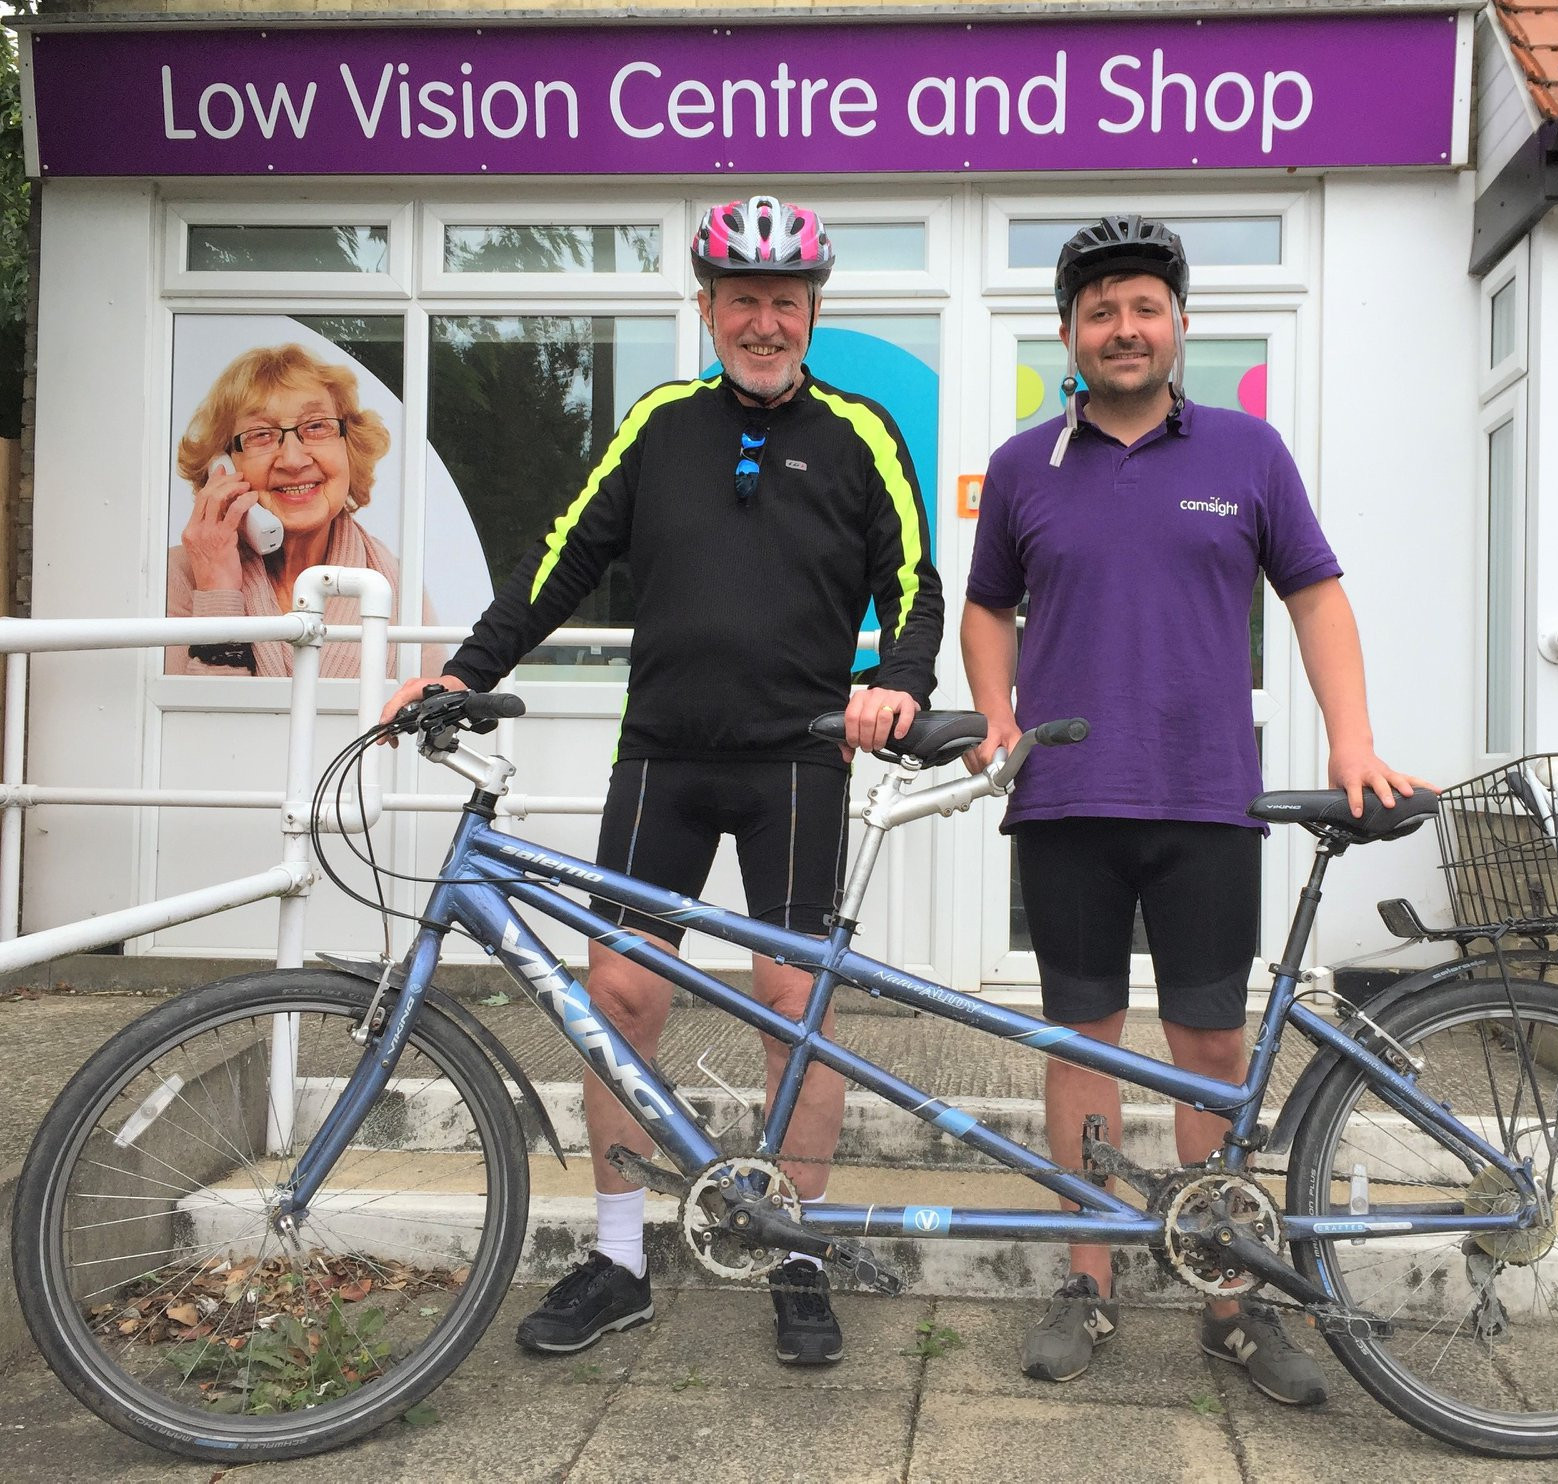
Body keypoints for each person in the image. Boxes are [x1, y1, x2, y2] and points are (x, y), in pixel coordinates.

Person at [380, 195, 943, 1366]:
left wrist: (896, 676)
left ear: (811, 313)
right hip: (664, 758)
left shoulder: (861, 431)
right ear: (706, 308)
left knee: (796, 1012)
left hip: (798, 760)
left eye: (785, 301)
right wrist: (460, 670)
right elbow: (561, 560)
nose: (764, 320)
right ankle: (622, 1257)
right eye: (742, 298)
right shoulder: (657, 425)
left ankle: (796, 1247)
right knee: (619, 1000)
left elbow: (915, 580)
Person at [961, 214, 1422, 1405]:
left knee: (1212, 1051)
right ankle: (1091, 1279)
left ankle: (1230, 1295)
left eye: (1144, 305)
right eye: (1100, 308)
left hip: (1206, 799)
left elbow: (1317, 596)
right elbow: (985, 607)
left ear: (1178, 325)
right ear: (1069, 333)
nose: (1124, 326)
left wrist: (1352, 738)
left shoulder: (1248, 452)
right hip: (1065, 800)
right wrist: (994, 714)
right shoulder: (1023, 466)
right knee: (1080, 1046)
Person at [167, 343, 434, 678]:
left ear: (350, 446)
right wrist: (217, 591)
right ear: (222, 467)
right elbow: (194, 723)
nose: (293, 460)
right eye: (261, 435)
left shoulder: (398, 587)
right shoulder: (178, 576)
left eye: (317, 426)